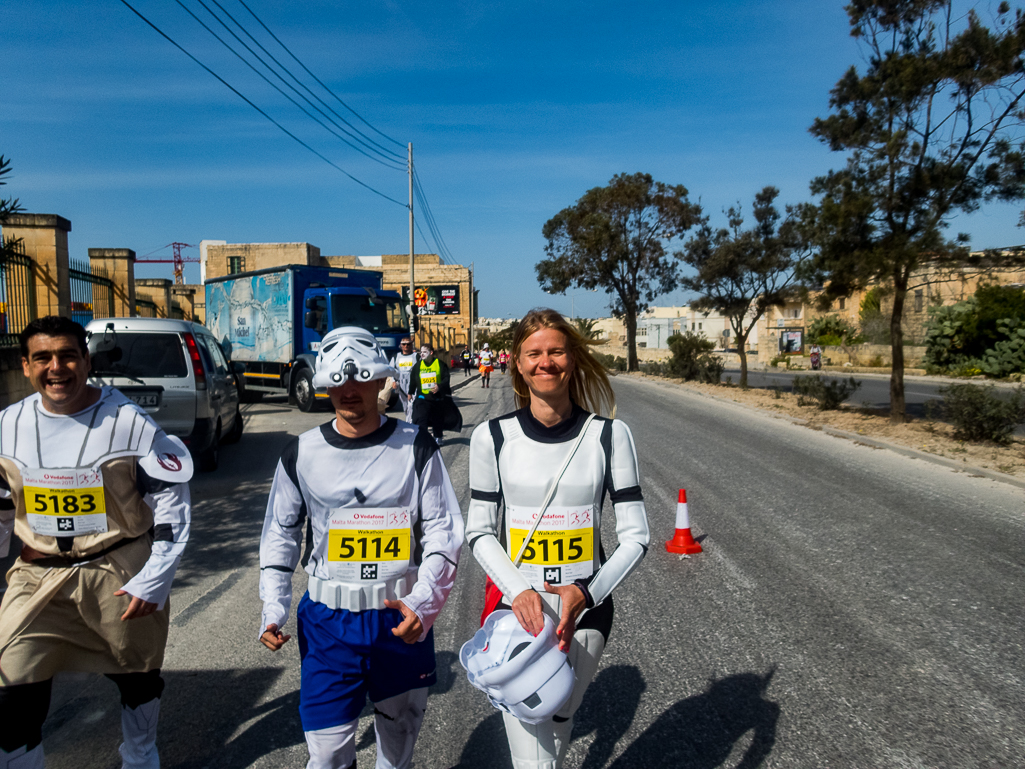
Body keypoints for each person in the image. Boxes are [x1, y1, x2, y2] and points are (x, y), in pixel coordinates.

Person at [259, 326, 463, 769]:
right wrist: (272, 608)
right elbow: (281, 533)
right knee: (328, 754)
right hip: (329, 622)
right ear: (325, 383)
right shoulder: (301, 452)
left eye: (360, 380)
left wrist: (424, 605)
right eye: (338, 382)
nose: (349, 391)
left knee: (397, 744)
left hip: (398, 618)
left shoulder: (417, 447)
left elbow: (444, 534)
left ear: (380, 380)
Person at [0, 316, 193, 769]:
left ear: (86, 361)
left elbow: (171, 505)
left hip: (118, 571)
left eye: (67, 355)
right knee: (12, 687)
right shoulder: (6, 428)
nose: (56, 368)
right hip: (36, 577)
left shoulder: (129, 422)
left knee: (138, 678)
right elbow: (2, 507)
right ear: (25, 366)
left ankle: (141, 756)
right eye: (43, 358)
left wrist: (155, 578)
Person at [465, 307, 650, 769]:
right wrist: (520, 590)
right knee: (532, 745)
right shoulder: (493, 437)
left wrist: (585, 593)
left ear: (573, 359)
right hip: (518, 611)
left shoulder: (610, 436)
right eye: (533, 353)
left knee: (562, 716)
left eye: (556, 351)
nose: (545, 362)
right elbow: (479, 531)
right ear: (517, 364)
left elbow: (637, 536)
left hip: (585, 610)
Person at [407, 343, 451, 447]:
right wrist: (410, 392)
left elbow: (446, 378)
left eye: (424, 352)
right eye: (421, 352)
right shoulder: (417, 366)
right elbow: (413, 380)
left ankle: (438, 436)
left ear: (431, 353)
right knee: (421, 417)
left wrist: (439, 386)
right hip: (422, 397)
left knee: (437, 419)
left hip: (437, 398)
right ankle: (422, 438)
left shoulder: (439, 364)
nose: (422, 354)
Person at [389, 337, 418, 421]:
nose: (406, 346)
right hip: (401, 384)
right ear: (401, 345)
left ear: (411, 345)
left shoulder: (416, 356)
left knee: (411, 405)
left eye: (408, 344)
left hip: (413, 383)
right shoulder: (396, 357)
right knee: (405, 406)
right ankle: (409, 418)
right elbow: (391, 370)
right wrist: (393, 381)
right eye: (404, 344)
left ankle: (410, 423)